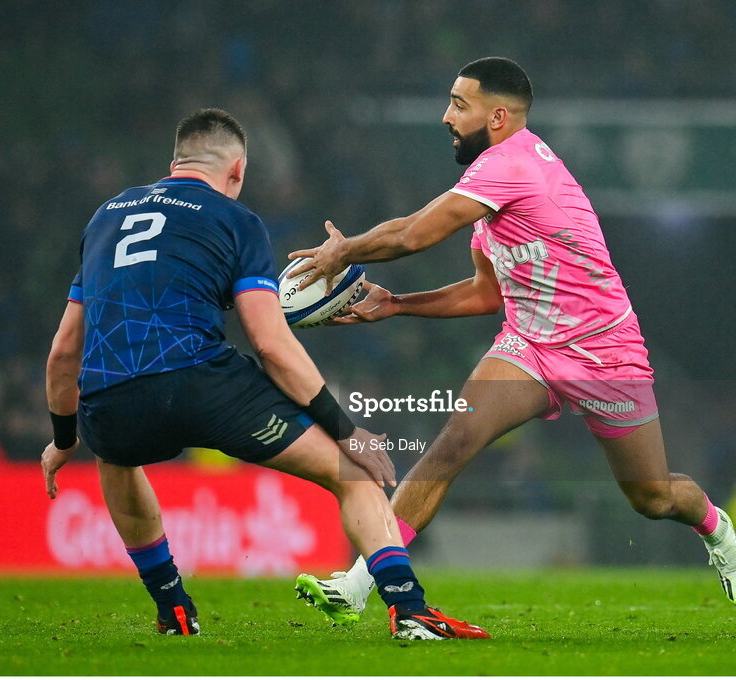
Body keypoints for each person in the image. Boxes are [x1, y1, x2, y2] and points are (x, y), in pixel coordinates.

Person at [289, 58, 736, 626]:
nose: (446, 116)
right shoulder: (488, 186)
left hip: (602, 349)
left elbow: (414, 233)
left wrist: (344, 251)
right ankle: (362, 585)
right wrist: (399, 305)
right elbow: (488, 294)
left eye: (460, 105)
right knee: (453, 443)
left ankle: (717, 528)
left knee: (652, 496)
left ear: (500, 116)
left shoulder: (511, 165)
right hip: (529, 345)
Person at [39, 108, 488, 640]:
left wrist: (65, 439)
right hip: (204, 384)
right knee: (354, 476)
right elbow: (271, 345)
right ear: (237, 171)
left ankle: (174, 609)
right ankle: (409, 610)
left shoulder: (105, 218)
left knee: (116, 459)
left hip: (110, 397)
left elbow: (65, 351)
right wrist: (348, 432)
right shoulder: (236, 220)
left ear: (175, 162)